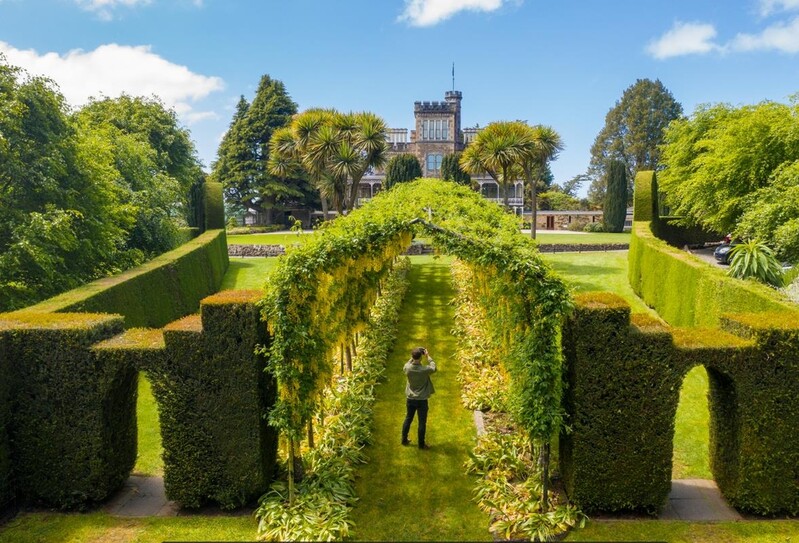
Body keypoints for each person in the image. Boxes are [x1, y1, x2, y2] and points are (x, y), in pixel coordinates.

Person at [401, 346, 436, 449]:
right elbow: (434, 367)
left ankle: (404, 440)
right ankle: (421, 445)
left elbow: (408, 363)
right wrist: (428, 356)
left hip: (410, 399)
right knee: (422, 422)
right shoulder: (425, 369)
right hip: (422, 400)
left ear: (412, 357)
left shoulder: (407, 368)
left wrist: (413, 357)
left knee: (408, 418)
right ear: (421, 358)